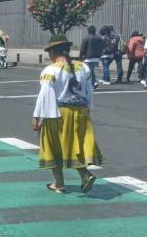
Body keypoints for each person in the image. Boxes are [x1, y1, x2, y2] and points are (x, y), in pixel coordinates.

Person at [33, 34, 102, 194]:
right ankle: (84, 175)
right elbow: (89, 91)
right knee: (74, 146)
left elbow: (45, 95)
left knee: (53, 147)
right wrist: (87, 111)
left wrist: (37, 116)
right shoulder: (83, 67)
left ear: (52, 52)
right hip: (80, 111)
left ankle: (59, 183)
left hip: (57, 113)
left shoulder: (50, 70)